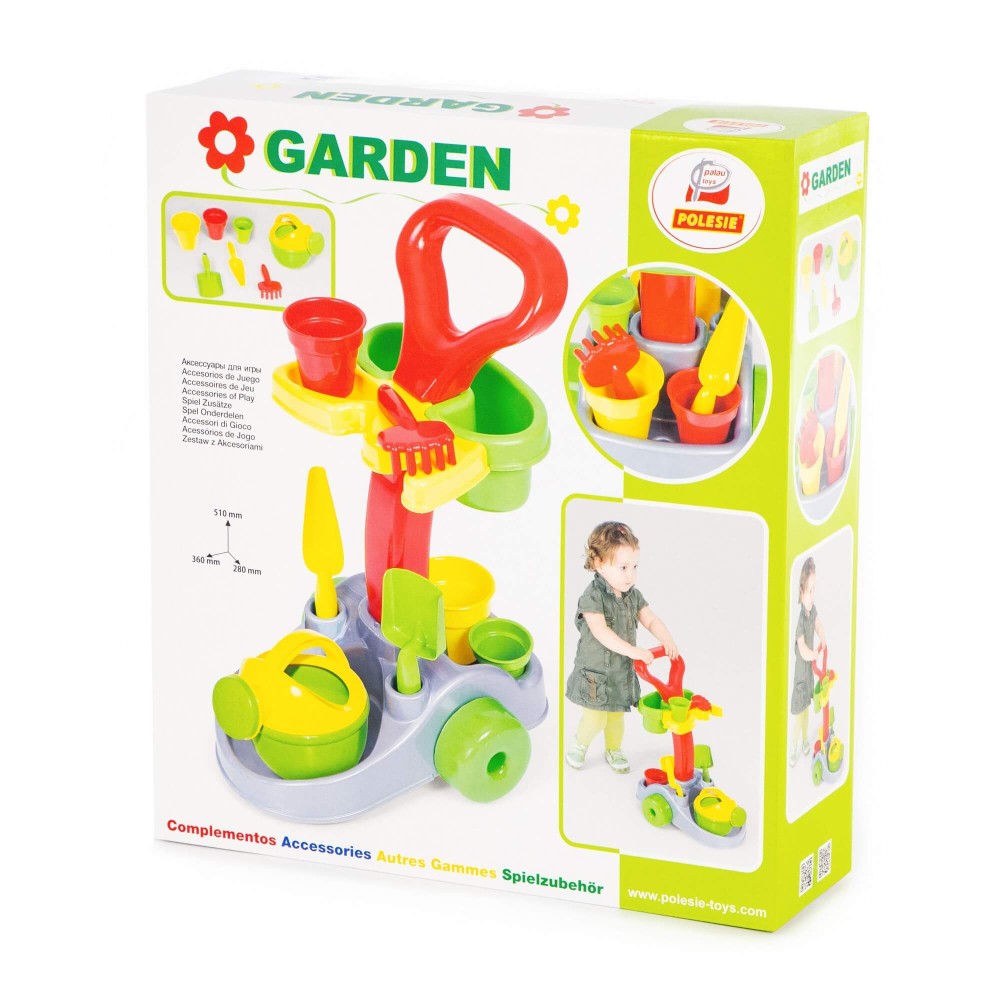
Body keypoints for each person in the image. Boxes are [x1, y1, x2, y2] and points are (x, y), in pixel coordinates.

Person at [564, 522, 678, 774]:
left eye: (635, 567)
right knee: (595, 718)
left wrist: (667, 640)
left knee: (616, 716)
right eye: (623, 567)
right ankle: (580, 743)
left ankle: (614, 749)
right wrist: (635, 652)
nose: (631, 575)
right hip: (595, 673)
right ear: (598, 563)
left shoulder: (632, 596)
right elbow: (602, 632)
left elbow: (650, 619)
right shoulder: (592, 597)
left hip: (619, 672)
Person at [790, 557, 826, 766]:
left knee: (806, 712)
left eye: (814, 590)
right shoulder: (800, 620)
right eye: (809, 591)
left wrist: (823, 638)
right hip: (801, 677)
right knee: (799, 716)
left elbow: (818, 623)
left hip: (809, 673)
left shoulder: (812, 612)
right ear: (801, 592)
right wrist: (813, 654)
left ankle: (805, 740)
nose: (812, 595)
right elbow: (802, 648)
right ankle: (794, 747)